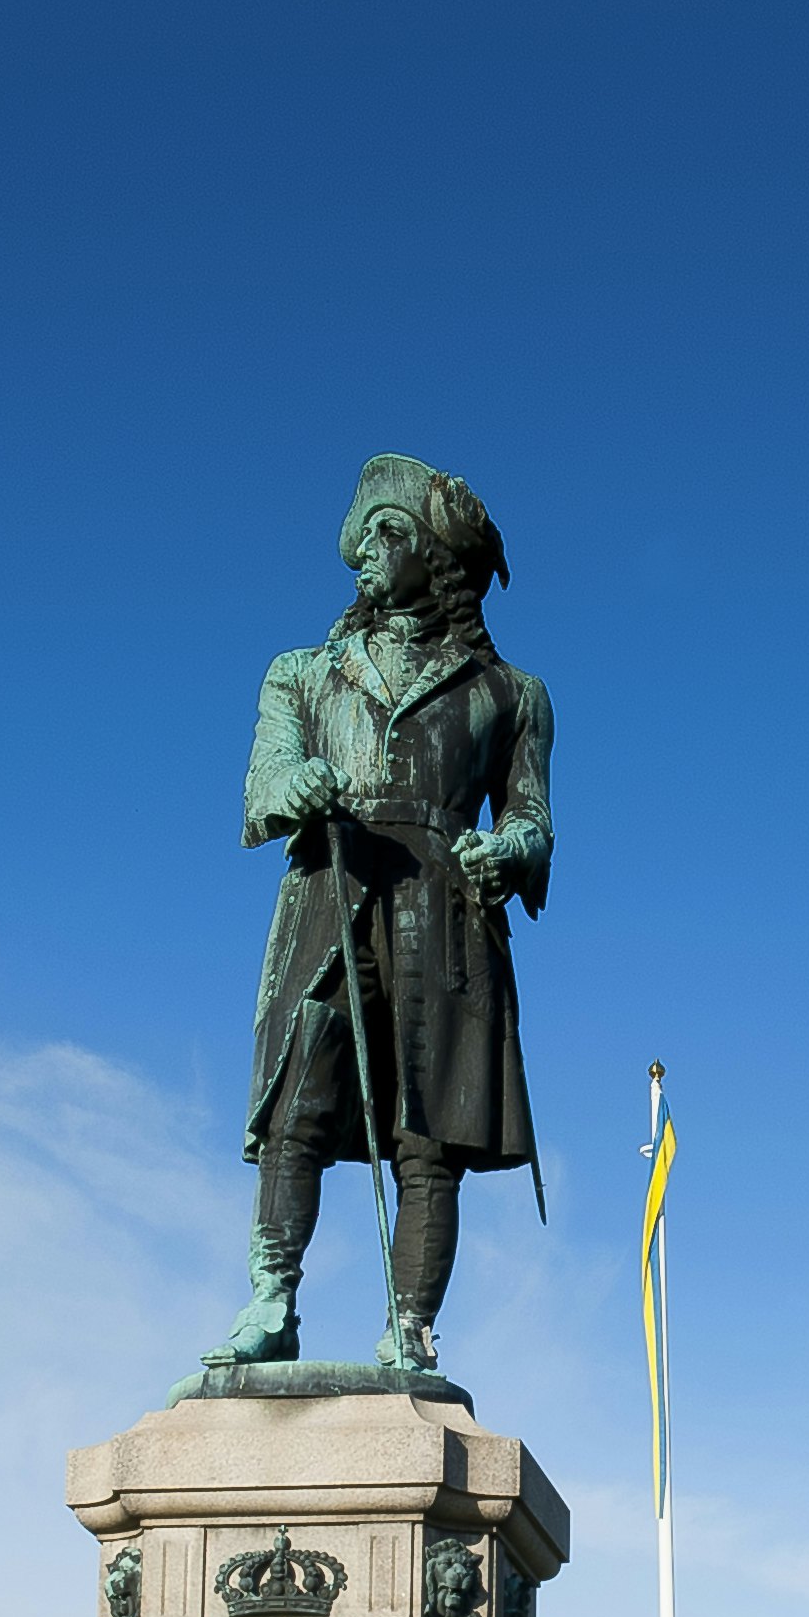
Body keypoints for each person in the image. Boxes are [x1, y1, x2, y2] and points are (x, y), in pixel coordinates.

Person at [203, 454, 552, 1375]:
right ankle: (272, 1299)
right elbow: (261, 785)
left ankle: (411, 1328)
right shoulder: (303, 674)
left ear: (435, 558)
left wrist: (508, 850)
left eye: (389, 534)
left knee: (430, 1135)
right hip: (332, 891)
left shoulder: (512, 695)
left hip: (446, 917)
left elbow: (532, 821)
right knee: (299, 1106)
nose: (365, 551)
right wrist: (295, 785)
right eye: (363, 535)